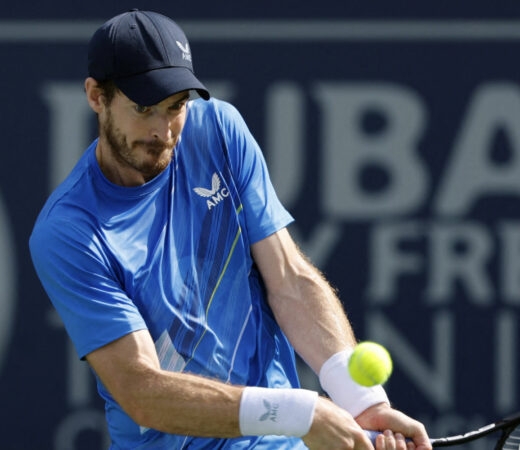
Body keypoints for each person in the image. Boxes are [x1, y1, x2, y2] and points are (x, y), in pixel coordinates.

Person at [29, 9, 431, 450]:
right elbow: (142, 391)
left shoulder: (217, 129)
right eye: (143, 108)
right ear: (96, 97)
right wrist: (300, 413)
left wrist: (362, 400)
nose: (162, 130)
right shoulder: (69, 232)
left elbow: (289, 279)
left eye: (175, 106)